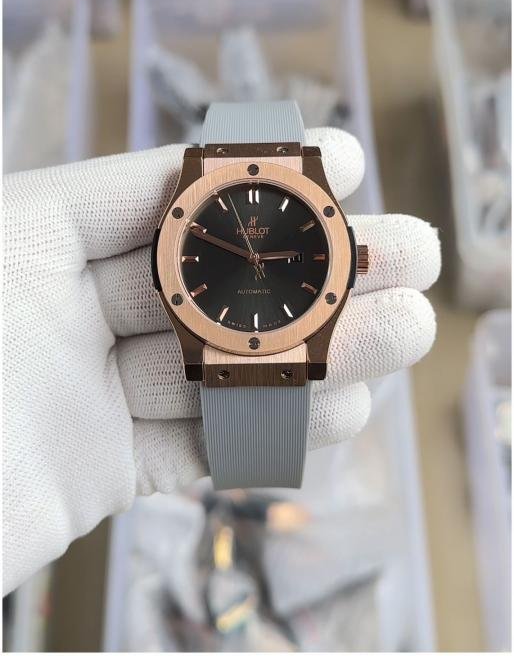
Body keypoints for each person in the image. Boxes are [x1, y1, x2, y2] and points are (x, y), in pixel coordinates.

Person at [3, 128, 441, 594]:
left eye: (263, 257)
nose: (254, 262)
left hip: (271, 332)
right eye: (244, 256)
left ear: (354, 260)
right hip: (223, 332)